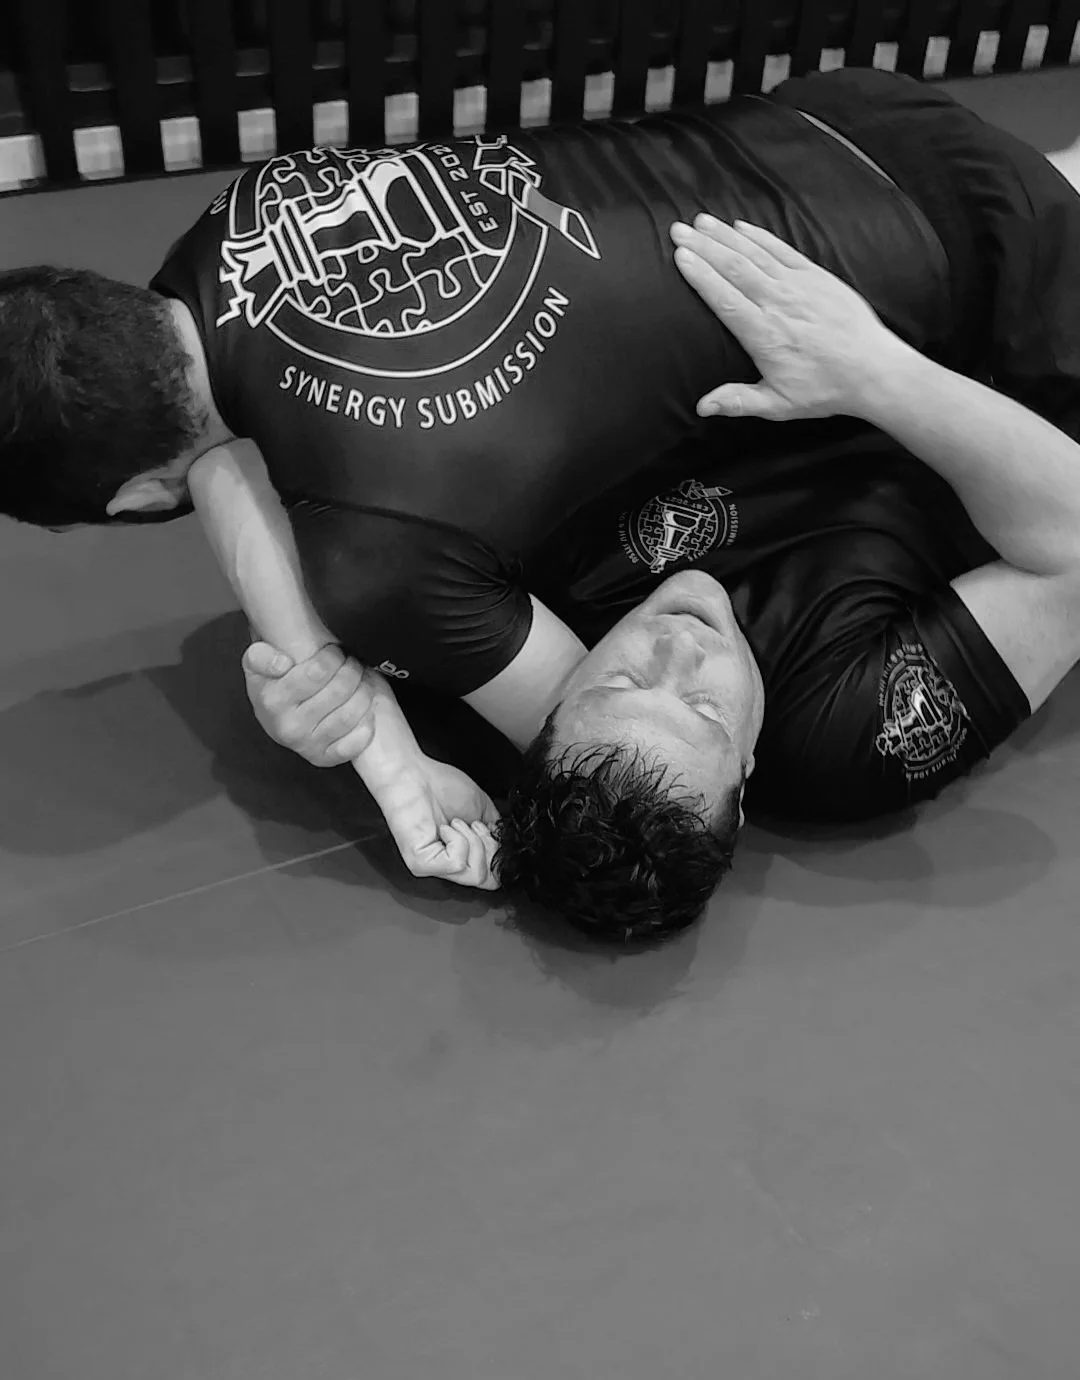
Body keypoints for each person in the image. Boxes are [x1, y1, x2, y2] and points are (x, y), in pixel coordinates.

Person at [2, 69, 1079, 893]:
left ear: (141, 499)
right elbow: (231, 459)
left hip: (951, 274)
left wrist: (385, 755)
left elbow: (582, 751)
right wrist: (339, 688)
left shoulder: (386, 553)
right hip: (825, 127)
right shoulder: (250, 208)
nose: (668, 656)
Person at [248, 215, 1080, 943]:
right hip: (1024, 394)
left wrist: (343, 704)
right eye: (708, 709)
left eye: (623, 678)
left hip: (867, 264)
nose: (679, 648)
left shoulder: (526, 622)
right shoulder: (846, 740)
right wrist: (878, 373)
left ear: (554, 706)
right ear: (744, 785)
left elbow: (244, 444)